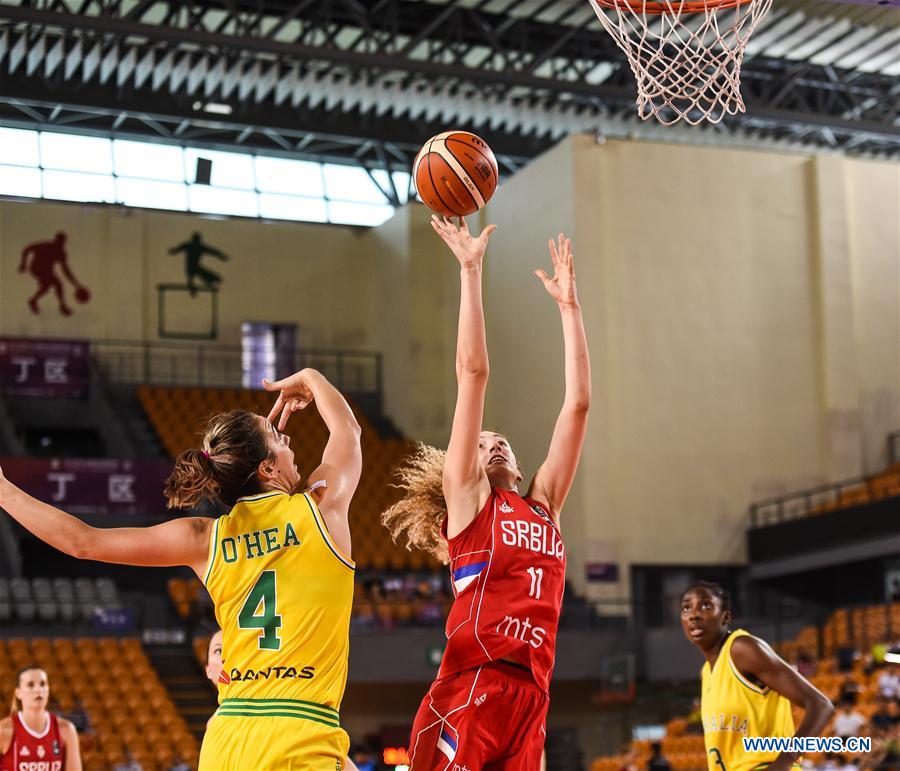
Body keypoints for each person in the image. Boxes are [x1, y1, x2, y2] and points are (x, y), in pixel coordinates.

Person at [0, 367, 362, 770]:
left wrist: (3, 491)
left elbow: (81, 542)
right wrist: (313, 379)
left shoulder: (203, 538)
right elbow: (348, 432)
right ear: (267, 470)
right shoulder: (322, 508)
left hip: (227, 739)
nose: (289, 439)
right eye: (278, 438)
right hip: (301, 733)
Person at [383, 219, 591, 769]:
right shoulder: (470, 504)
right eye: (481, 444)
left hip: (533, 696)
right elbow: (472, 373)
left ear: (520, 466)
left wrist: (570, 310)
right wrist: (470, 270)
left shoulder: (543, 505)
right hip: (471, 686)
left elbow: (577, 407)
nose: (494, 446)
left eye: (503, 443)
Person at [680, 581, 834, 771]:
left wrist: (785, 761)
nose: (694, 615)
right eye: (686, 608)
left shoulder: (742, 648)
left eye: (706, 606)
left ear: (725, 616)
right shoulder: (706, 672)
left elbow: (821, 705)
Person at [0, 665, 82, 771]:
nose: (38, 689)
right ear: (18, 693)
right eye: (30, 685)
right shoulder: (3, 730)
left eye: (43, 684)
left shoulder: (66, 730)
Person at [19, 232, 90, 316]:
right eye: (60, 242)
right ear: (56, 240)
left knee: (47, 287)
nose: (61, 244)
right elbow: (26, 249)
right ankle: (62, 307)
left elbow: (66, 271)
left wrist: (76, 285)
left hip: (47, 271)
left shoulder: (61, 253)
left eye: (62, 242)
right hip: (37, 268)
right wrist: (23, 263)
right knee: (57, 284)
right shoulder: (46, 246)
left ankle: (33, 300)